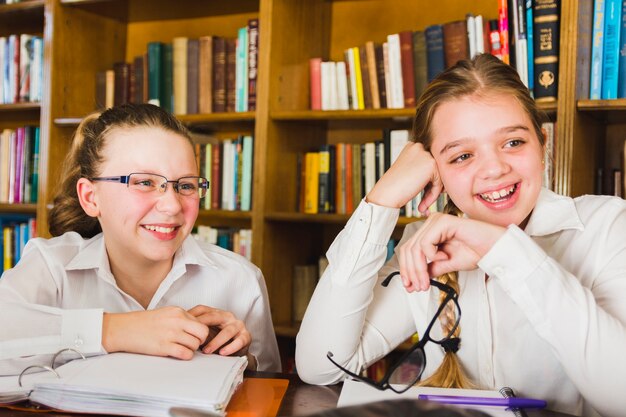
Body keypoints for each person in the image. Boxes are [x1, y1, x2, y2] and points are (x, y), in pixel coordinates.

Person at [295, 54, 626, 417]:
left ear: (542, 145)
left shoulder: (606, 225)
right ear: (435, 171)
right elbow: (319, 364)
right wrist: (382, 199)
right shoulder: (424, 246)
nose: (495, 168)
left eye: (513, 143)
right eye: (462, 156)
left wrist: (504, 251)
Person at [0, 103, 280, 375]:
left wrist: (242, 362)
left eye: (186, 185)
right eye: (144, 182)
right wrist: (116, 330)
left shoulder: (241, 280)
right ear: (90, 197)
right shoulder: (51, 266)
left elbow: (273, 395)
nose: (172, 206)